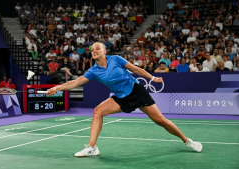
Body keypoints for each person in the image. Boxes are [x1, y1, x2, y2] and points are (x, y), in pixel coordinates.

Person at [47, 42, 202, 157]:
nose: (94, 51)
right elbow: (75, 82)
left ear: (104, 50)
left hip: (136, 91)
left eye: (97, 48)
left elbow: (135, 69)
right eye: (92, 50)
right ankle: (92, 147)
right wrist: (57, 88)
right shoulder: (93, 71)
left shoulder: (115, 59)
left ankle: (187, 141)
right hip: (121, 97)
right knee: (97, 111)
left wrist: (152, 77)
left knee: (161, 120)